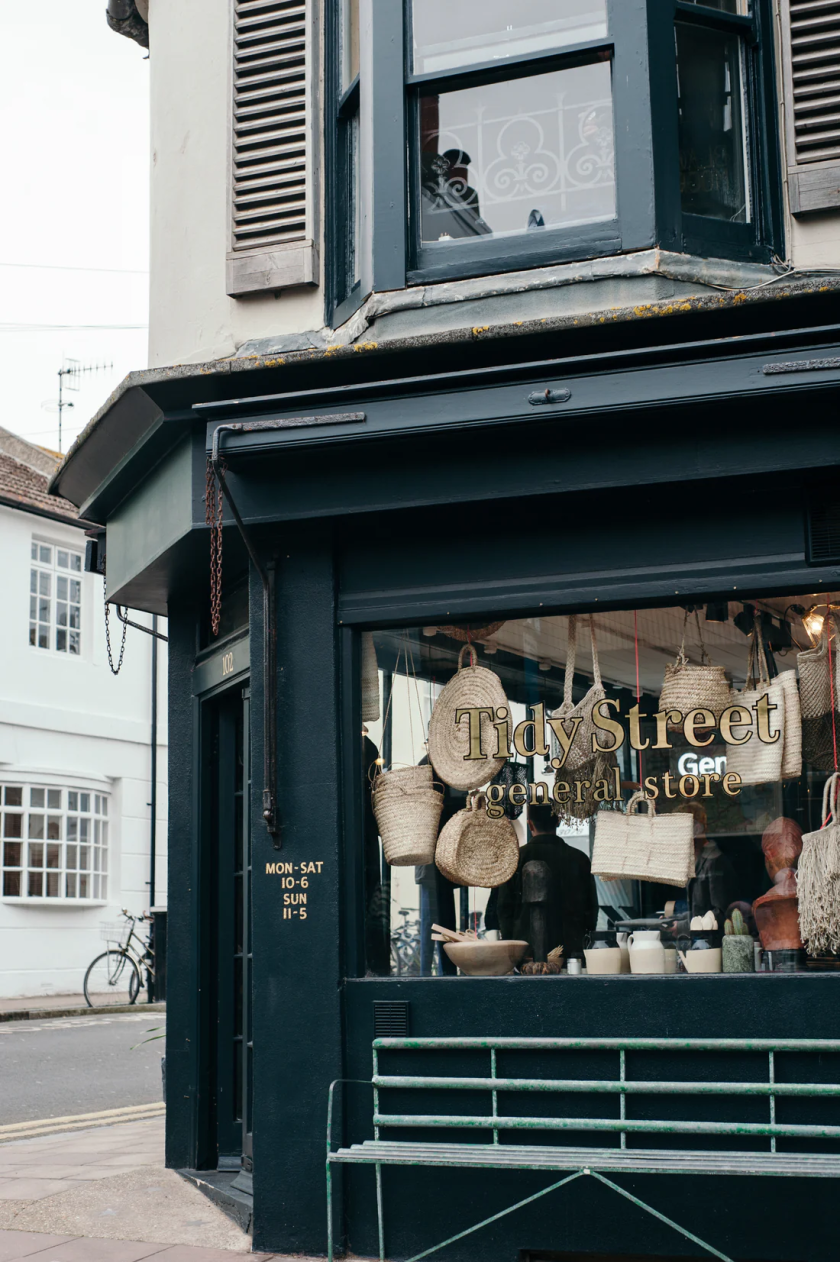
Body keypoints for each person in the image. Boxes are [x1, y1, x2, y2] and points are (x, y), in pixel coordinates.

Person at [496, 802, 598, 959]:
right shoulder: (579, 859)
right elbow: (591, 911)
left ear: (530, 824)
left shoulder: (514, 859)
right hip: (571, 949)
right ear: (558, 821)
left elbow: (503, 907)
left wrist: (512, 943)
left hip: (525, 951)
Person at [677, 800, 739, 923]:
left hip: (711, 940)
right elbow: (697, 911)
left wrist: (681, 927)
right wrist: (675, 920)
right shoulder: (698, 861)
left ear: (697, 829)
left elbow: (721, 913)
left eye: (680, 829)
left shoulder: (713, 862)